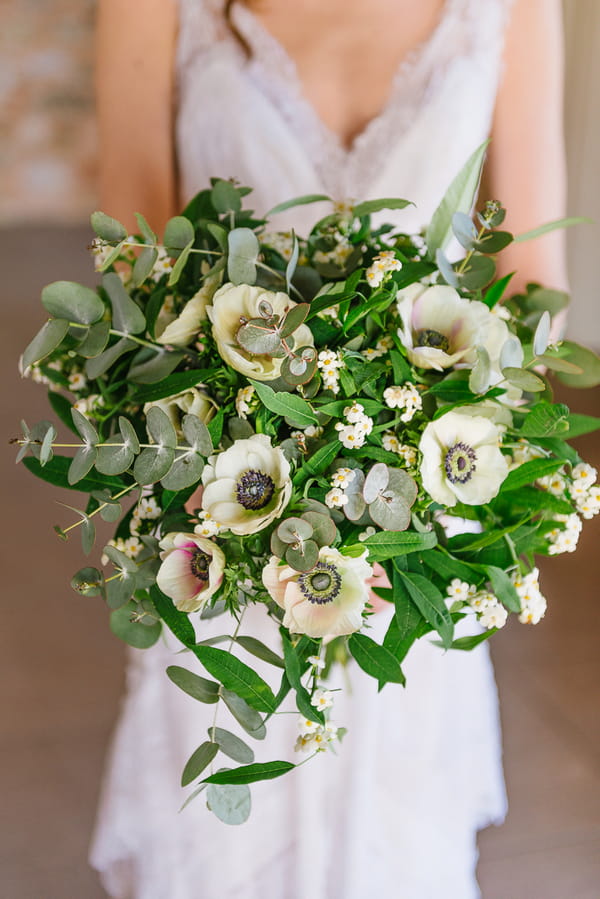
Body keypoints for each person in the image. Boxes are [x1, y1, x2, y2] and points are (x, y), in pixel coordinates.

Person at [90, 1, 568, 897]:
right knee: (220, 839)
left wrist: (424, 464)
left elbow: (536, 290)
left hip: (421, 530)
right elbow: (134, 275)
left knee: (402, 842)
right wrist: (233, 451)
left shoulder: (511, 11)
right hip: (221, 512)